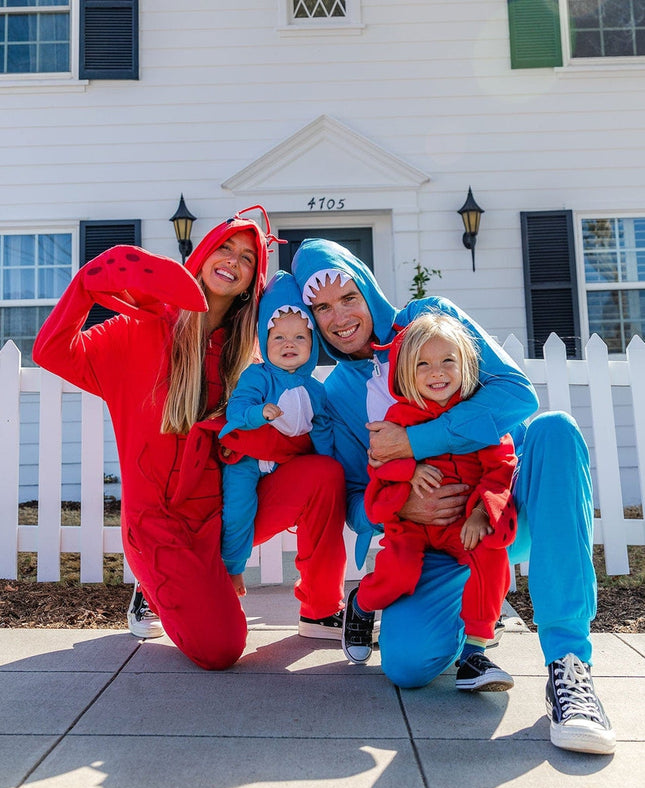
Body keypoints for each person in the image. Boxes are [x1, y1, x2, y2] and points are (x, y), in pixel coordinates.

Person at [291, 237, 615, 755]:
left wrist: (416, 441)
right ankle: (464, 612)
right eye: (321, 307)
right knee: (406, 665)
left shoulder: (431, 319)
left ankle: (568, 667)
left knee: (554, 429)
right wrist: (401, 503)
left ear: (367, 288)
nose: (339, 317)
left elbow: (516, 394)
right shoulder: (338, 395)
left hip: (500, 510)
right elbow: (354, 498)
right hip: (433, 543)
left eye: (347, 296)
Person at [32, 208, 346, 670]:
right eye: (225, 247)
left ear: (250, 281)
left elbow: (269, 442)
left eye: (246, 258)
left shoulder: (249, 359)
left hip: (221, 512)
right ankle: (156, 586)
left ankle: (321, 610)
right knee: (221, 649)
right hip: (161, 524)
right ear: (200, 256)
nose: (233, 261)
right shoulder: (139, 330)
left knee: (323, 473)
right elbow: (51, 351)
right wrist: (85, 285)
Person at [343, 313, 517, 693]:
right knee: (400, 575)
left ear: (466, 365)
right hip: (412, 528)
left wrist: (478, 513)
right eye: (423, 364)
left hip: (459, 525)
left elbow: (501, 465)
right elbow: (379, 463)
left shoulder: (476, 416)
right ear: (406, 372)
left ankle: (475, 651)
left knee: (490, 551)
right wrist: (408, 472)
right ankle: (362, 604)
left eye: (447, 361)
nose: (436, 372)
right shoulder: (398, 418)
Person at [218, 269, 338, 602]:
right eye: (278, 338)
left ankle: (320, 596)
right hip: (247, 459)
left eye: (300, 337)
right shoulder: (257, 376)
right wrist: (260, 412)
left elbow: (323, 428)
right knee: (239, 508)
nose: (289, 344)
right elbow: (237, 411)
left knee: (319, 483)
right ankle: (232, 567)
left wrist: (327, 459)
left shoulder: (316, 390)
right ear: (263, 341)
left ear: (313, 344)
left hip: (286, 463)